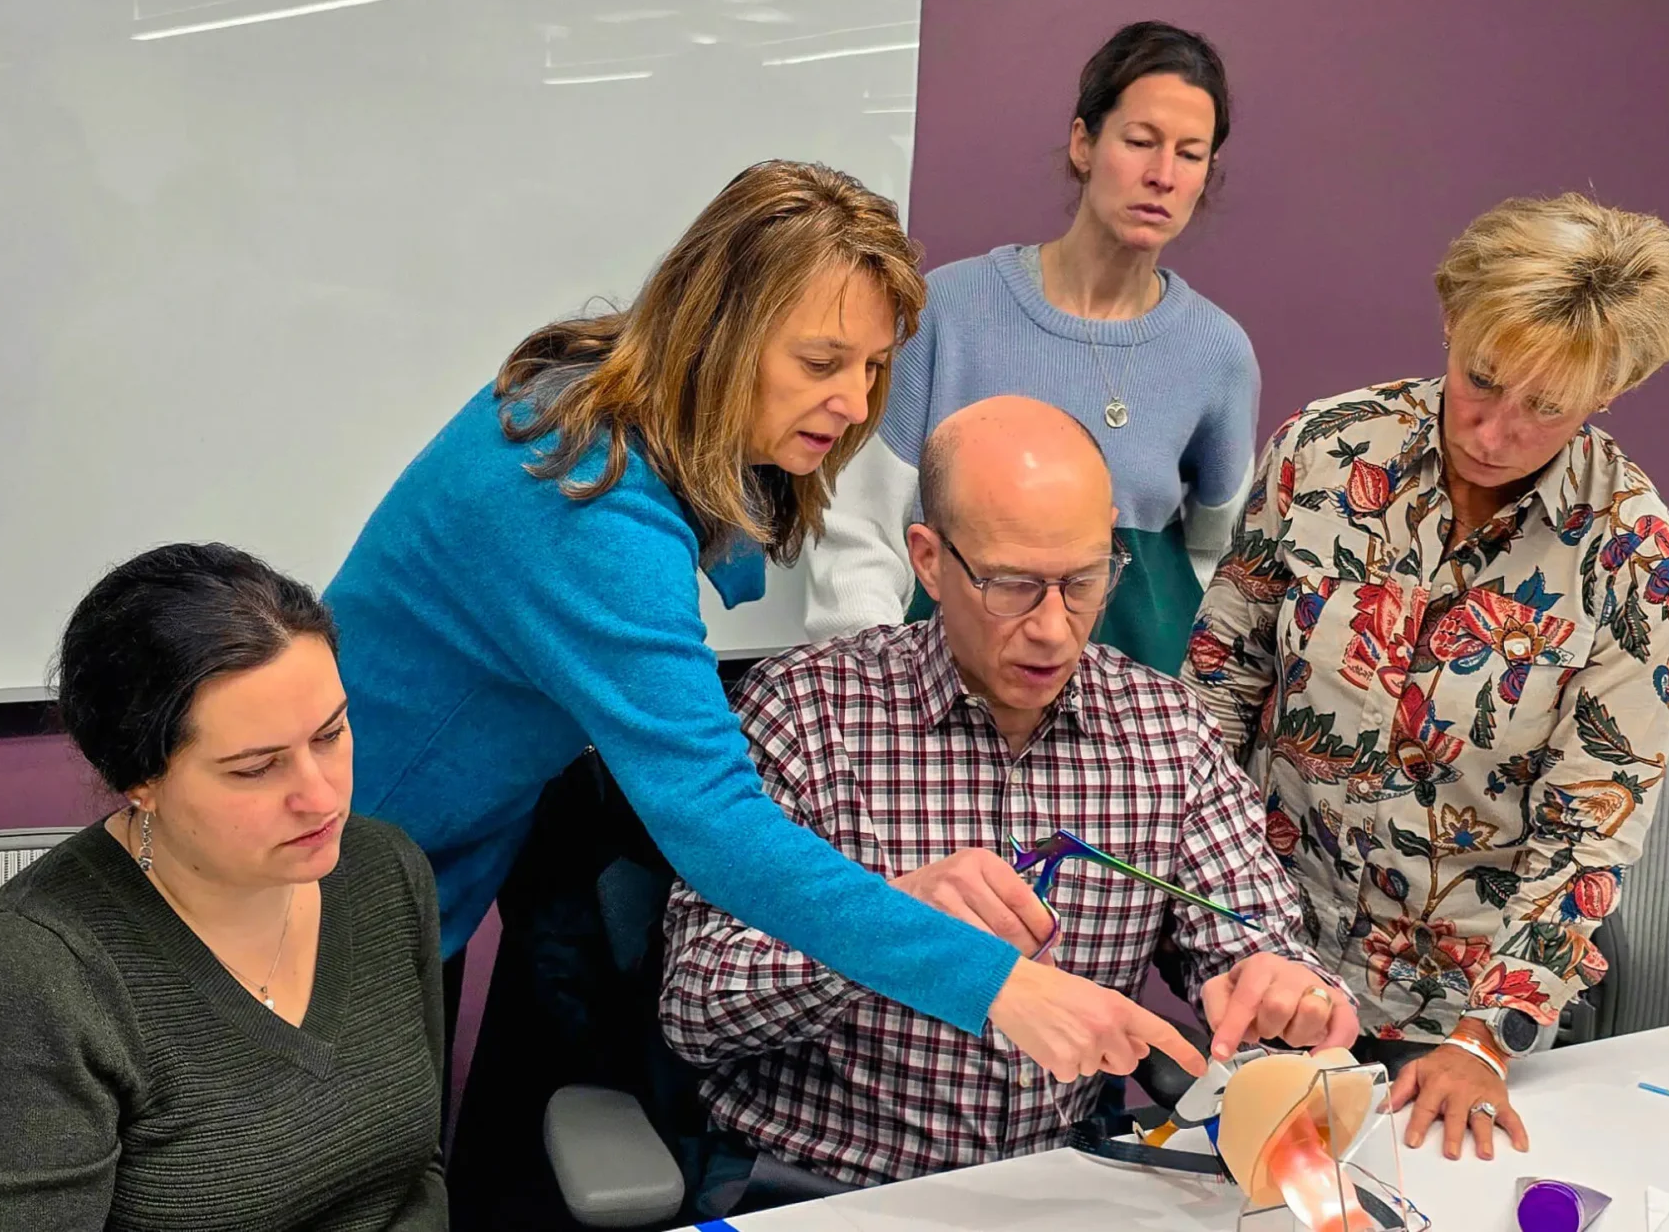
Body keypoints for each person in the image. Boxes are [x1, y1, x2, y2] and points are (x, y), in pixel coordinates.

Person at [327, 161, 1185, 1098]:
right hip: (328, 890)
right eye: (821, 363)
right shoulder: (585, 497)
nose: (857, 404)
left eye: (871, 367)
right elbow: (717, 823)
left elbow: (731, 564)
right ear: (717, 334)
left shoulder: (623, 401)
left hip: (421, 869)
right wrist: (997, 985)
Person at [660, 396, 1360, 1212]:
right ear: (928, 559)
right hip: (824, 1188)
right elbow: (696, 1006)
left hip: (1058, 1187)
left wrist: (1282, 986)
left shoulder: (1166, 730)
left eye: (1084, 580)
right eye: (1014, 585)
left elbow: (1254, 939)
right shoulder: (807, 712)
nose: (1054, 631)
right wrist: (886, 919)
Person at [1183, 193, 1669, 1162]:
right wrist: (1221, 927)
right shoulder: (1327, 452)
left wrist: (1482, 1039)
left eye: (1545, 406)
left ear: (1607, 393)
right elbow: (1212, 695)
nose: (1496, 430)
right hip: (1272, 968)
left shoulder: (1634, 556)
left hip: (1461, 1018)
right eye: (1482, 379)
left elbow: (1588, 840)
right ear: (1450, 322)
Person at [0, 543, 446, 1231]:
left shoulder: (383, 871)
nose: (320, 794)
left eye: (330, 734)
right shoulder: (32, 977)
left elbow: (410, 1176)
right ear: (138, 780)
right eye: (256, 767)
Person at [806, 20, 1258, 676]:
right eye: (1140, 141)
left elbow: (1218, 561)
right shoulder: (948, 312)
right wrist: (884, 700)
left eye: (1189, 154)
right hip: (948, 714)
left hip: (1121, 734)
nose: (1162, 174)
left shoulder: (1219, 353)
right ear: (1083, 143)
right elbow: (857, 533)